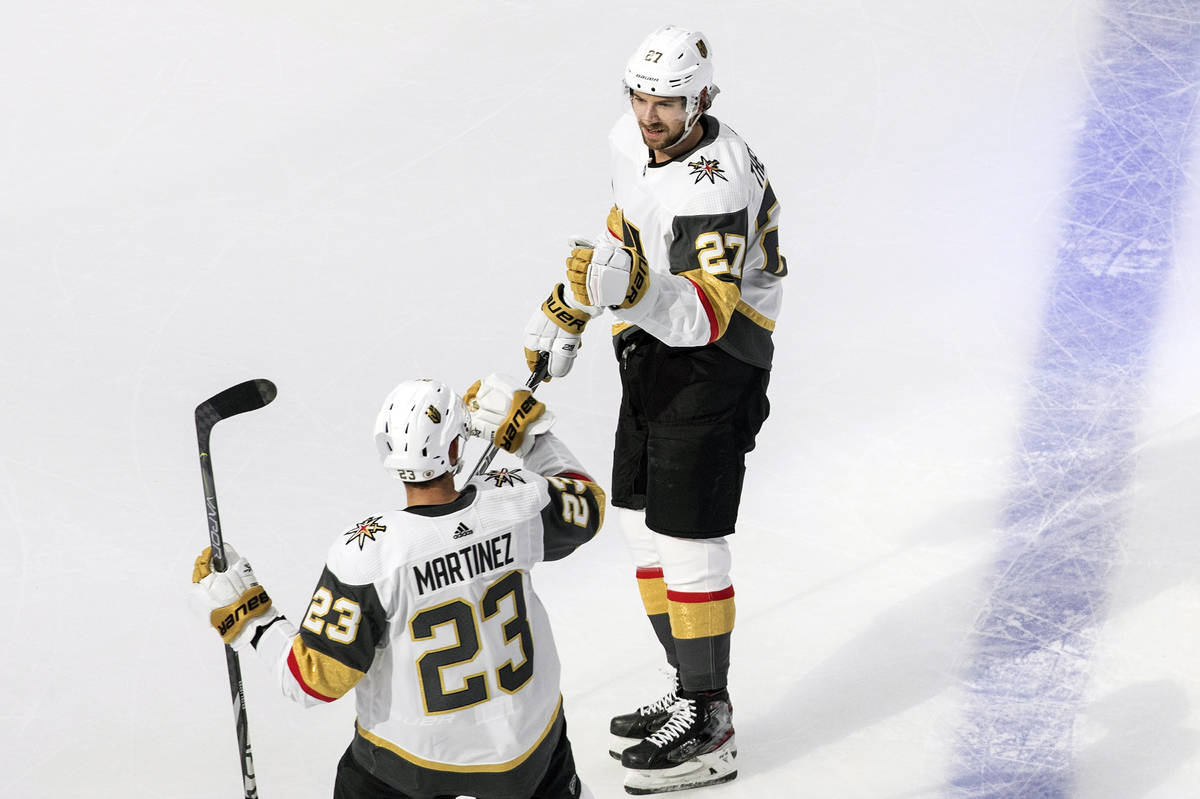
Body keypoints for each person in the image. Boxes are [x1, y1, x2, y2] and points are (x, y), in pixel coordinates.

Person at [523, 24, 785, 795]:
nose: (649, 114)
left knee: (688, 536)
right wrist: (572, 305)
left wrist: (627, 291)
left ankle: (710, 717)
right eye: (640, 96)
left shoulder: (718, 183)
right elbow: (626, 227)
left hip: (720, 357)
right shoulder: (629, 138)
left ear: (701, 100)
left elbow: (707, 315)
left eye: (667, 102)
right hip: (653, 342)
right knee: (642, 523)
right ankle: (687, 686)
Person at [191, 375, 605, 799]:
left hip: (414, 767)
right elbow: (587, 504)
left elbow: (312, 679)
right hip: (532, 751)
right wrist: (531, 437)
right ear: (458, 447)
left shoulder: (370, 553)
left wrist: (250, 615)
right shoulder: (515, 501)